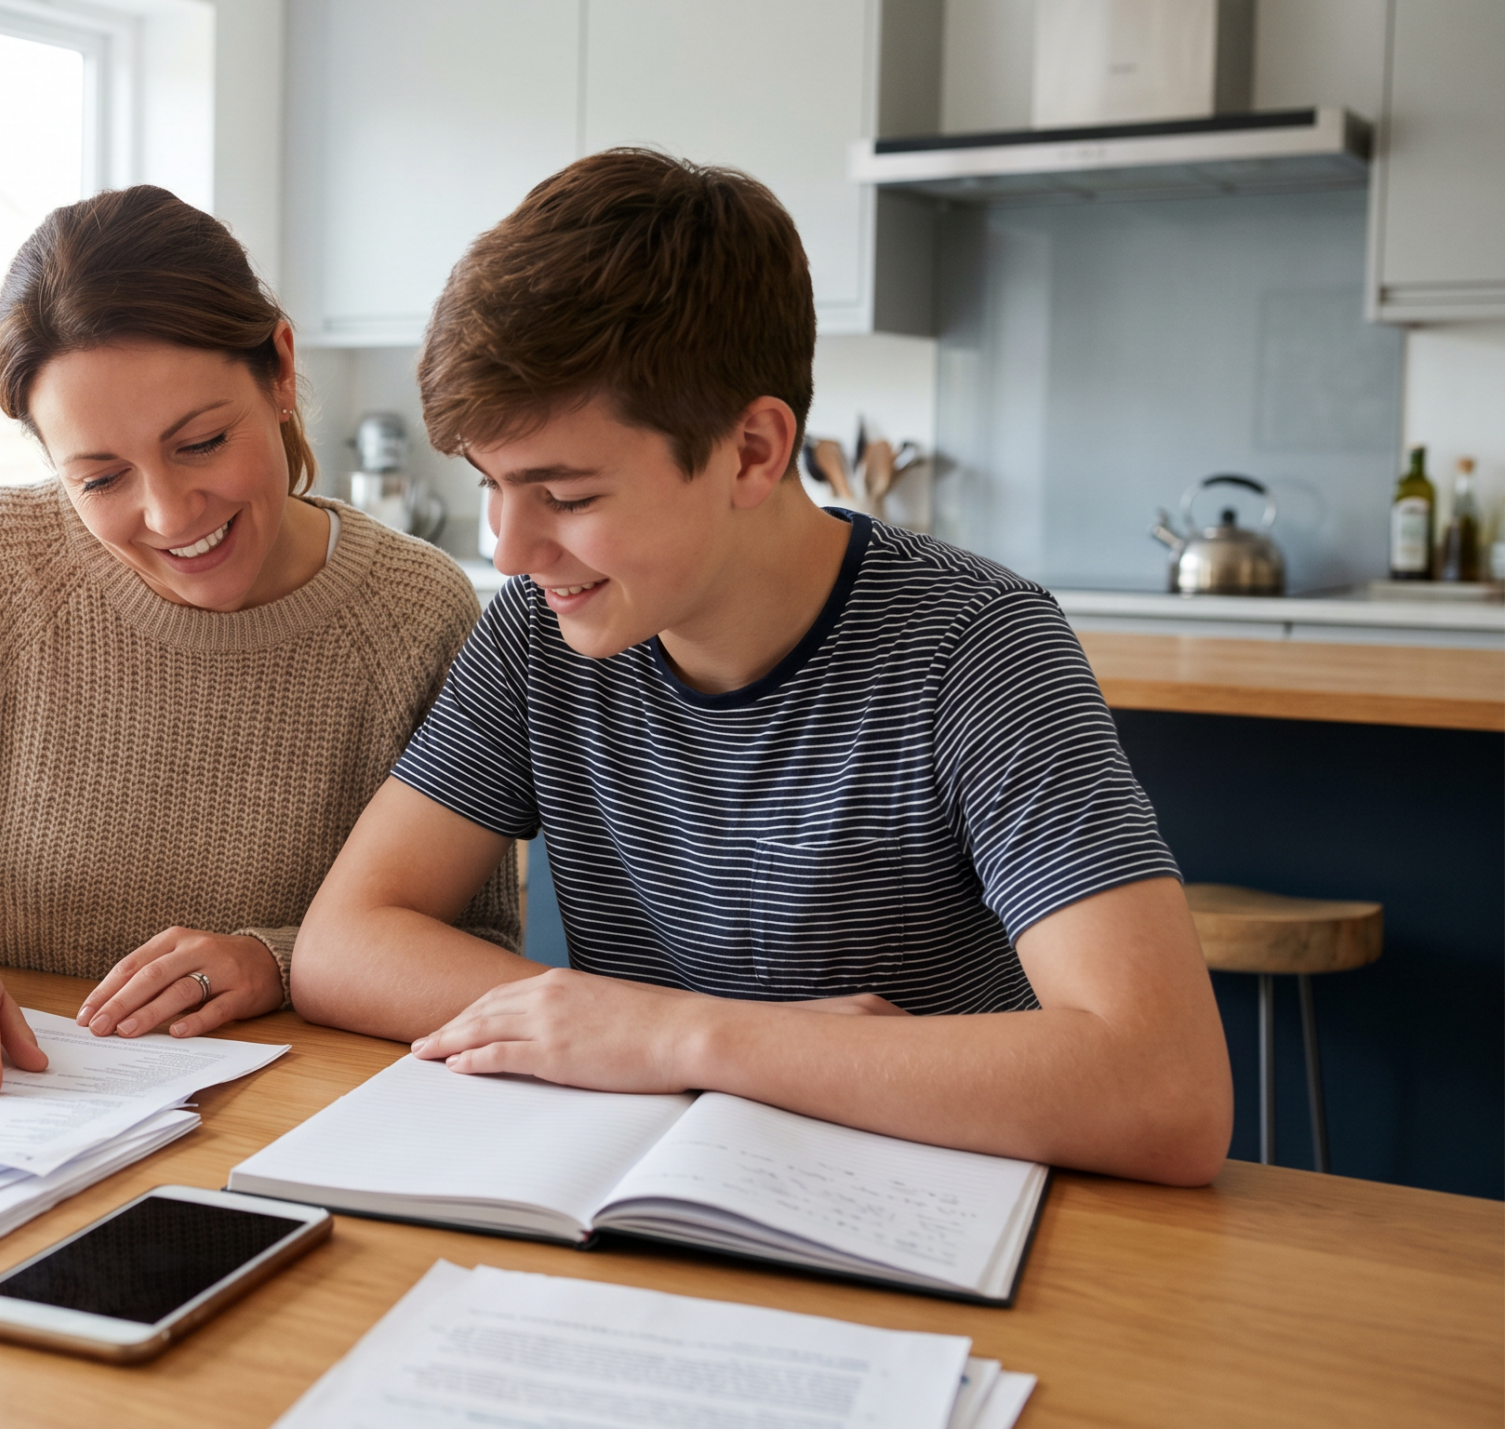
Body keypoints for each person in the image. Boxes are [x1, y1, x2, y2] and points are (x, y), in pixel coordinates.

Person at [292, 150, 1233, 1186]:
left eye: (564, 497)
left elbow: (1167, 1087)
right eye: (490, 486)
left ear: (751, 450)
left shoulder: (974, 646)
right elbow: (344, 944)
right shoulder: (536, 632)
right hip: (657, 1195)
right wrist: (674, 1032)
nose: (509, 550)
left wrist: (679, 1036)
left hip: (927, 1210)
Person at [0, 185, 519, 1096]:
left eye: (201, 442)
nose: (168, 513)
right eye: (102, 477)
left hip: (278, 1118)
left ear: (279, 368)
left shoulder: (418, 610)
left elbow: (482, 947)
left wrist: (278, 961)